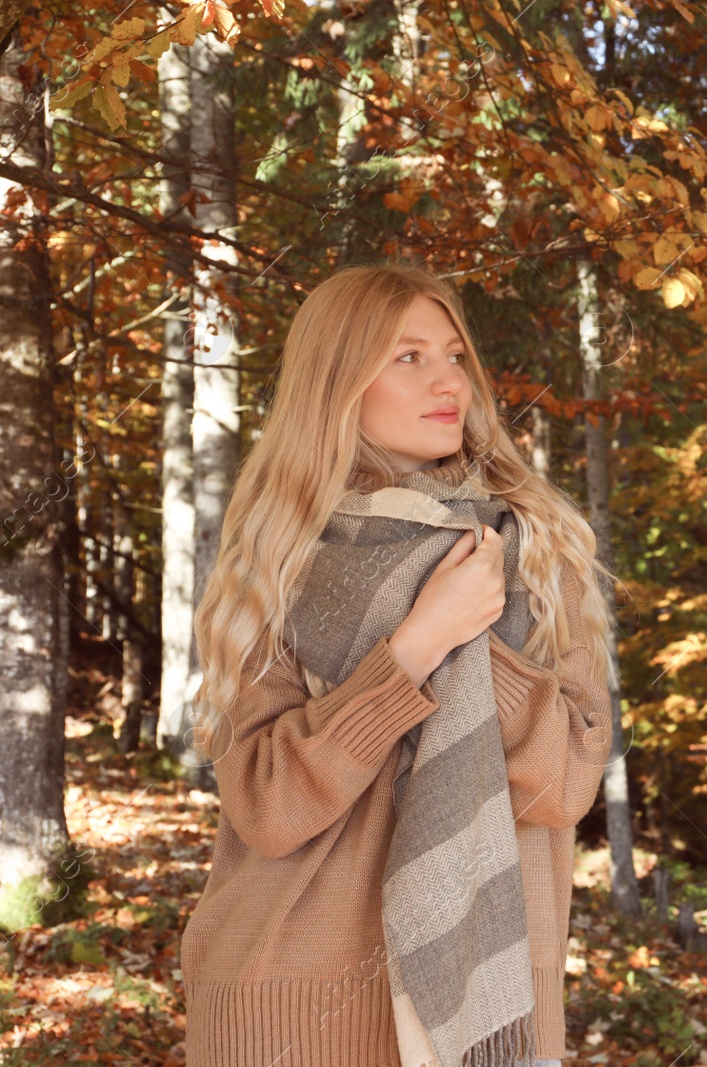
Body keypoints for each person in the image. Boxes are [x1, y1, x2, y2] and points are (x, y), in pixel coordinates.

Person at [177, 262, 616, 1067]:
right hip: (291, 1006)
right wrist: (416, 644)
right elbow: (269, 804)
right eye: (407, 356)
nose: (448, 380)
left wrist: (475, 645)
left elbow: (569, 785)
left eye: (454, 355)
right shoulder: (277, 560)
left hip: (492, 1007)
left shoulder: (533, 552)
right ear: (336, 382)